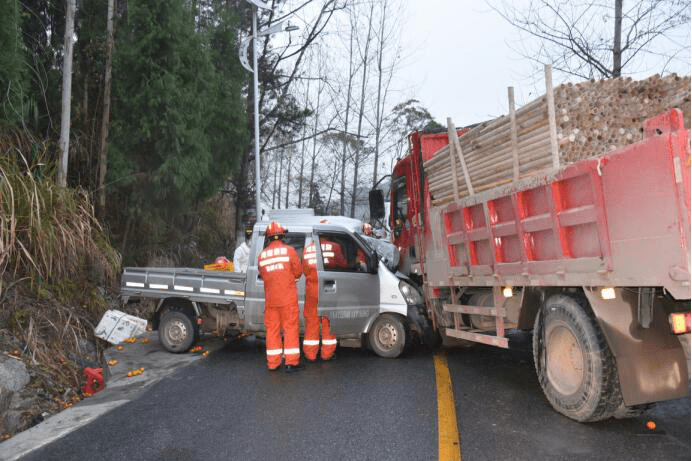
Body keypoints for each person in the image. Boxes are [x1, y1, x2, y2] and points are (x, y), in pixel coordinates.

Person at [257, 221, 304, 372]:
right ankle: (291, 362)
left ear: (269, 238)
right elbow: (298, 272)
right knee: (290, 329)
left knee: (272, 330)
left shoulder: (262, 255)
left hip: (271, 300)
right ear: (282, 236)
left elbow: (263, 276)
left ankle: (273, 363)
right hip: (287, 299)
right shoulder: (289, 251)